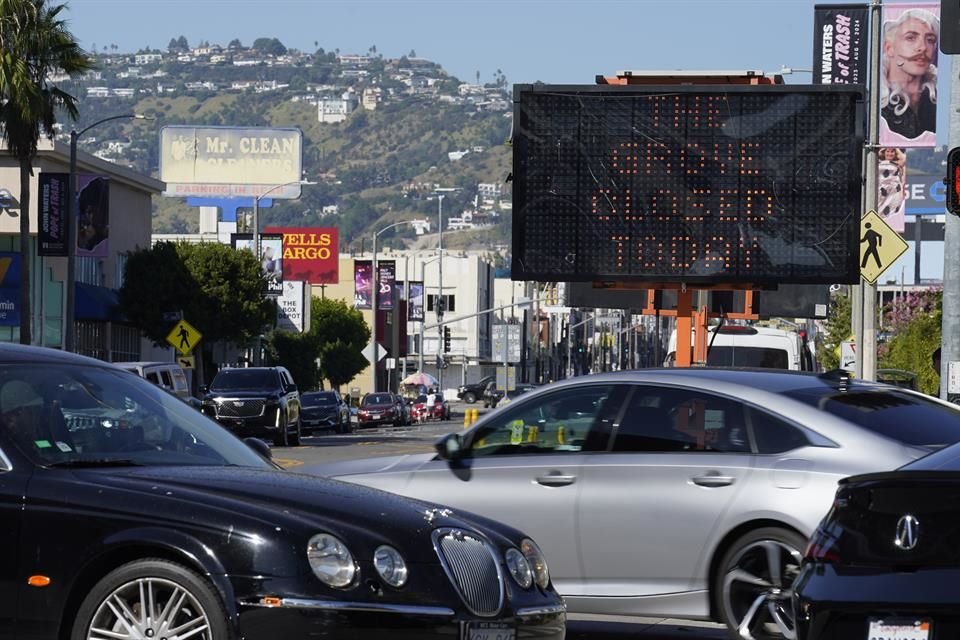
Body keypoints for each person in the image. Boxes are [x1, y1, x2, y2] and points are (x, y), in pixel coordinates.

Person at [880, 8, 939, 142]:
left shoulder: (937, 97)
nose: (923, 47)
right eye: (911, 38)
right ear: (889, 48)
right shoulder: (876, 102)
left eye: (930, 40)